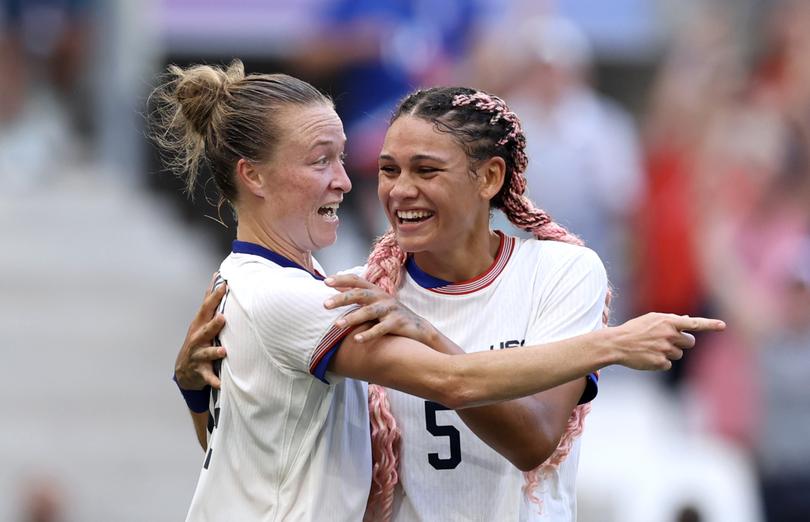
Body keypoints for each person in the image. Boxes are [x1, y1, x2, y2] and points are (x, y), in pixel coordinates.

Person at [158, 61, 724, 521]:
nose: (396, 189)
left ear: (489, 178)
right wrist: (615, 343)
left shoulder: (561, 271)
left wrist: (195, 395)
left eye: (425, 170)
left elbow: (534, 441)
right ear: (251, 174)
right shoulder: (353, 294)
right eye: (388, 168)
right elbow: (450, 380)